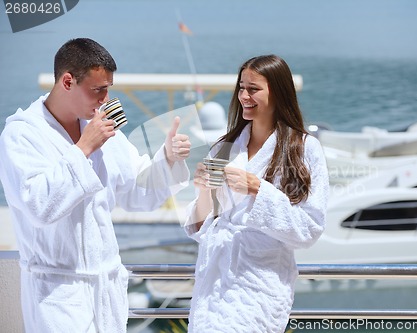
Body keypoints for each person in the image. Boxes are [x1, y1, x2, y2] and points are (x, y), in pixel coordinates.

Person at [0, 38, 191, 332]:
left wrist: (167, 159)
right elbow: (39, 207)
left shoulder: (98, 128)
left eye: (108, 89)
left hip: (106, 293)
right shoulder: (22, 134)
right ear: (67, 81)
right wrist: (83, 150)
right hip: (58, 295)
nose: (105, 99)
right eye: (98, 90)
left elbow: (138, 192)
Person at [185, 54, 329, 332]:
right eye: (241, 88)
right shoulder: (224, 148)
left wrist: (257, 189)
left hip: (258, 288)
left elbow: (310, 228)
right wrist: (203, 190)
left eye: (253, 89)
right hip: (212, 289)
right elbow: (200, 226)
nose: (243, 96)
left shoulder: (304, 149)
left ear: (277, 92)